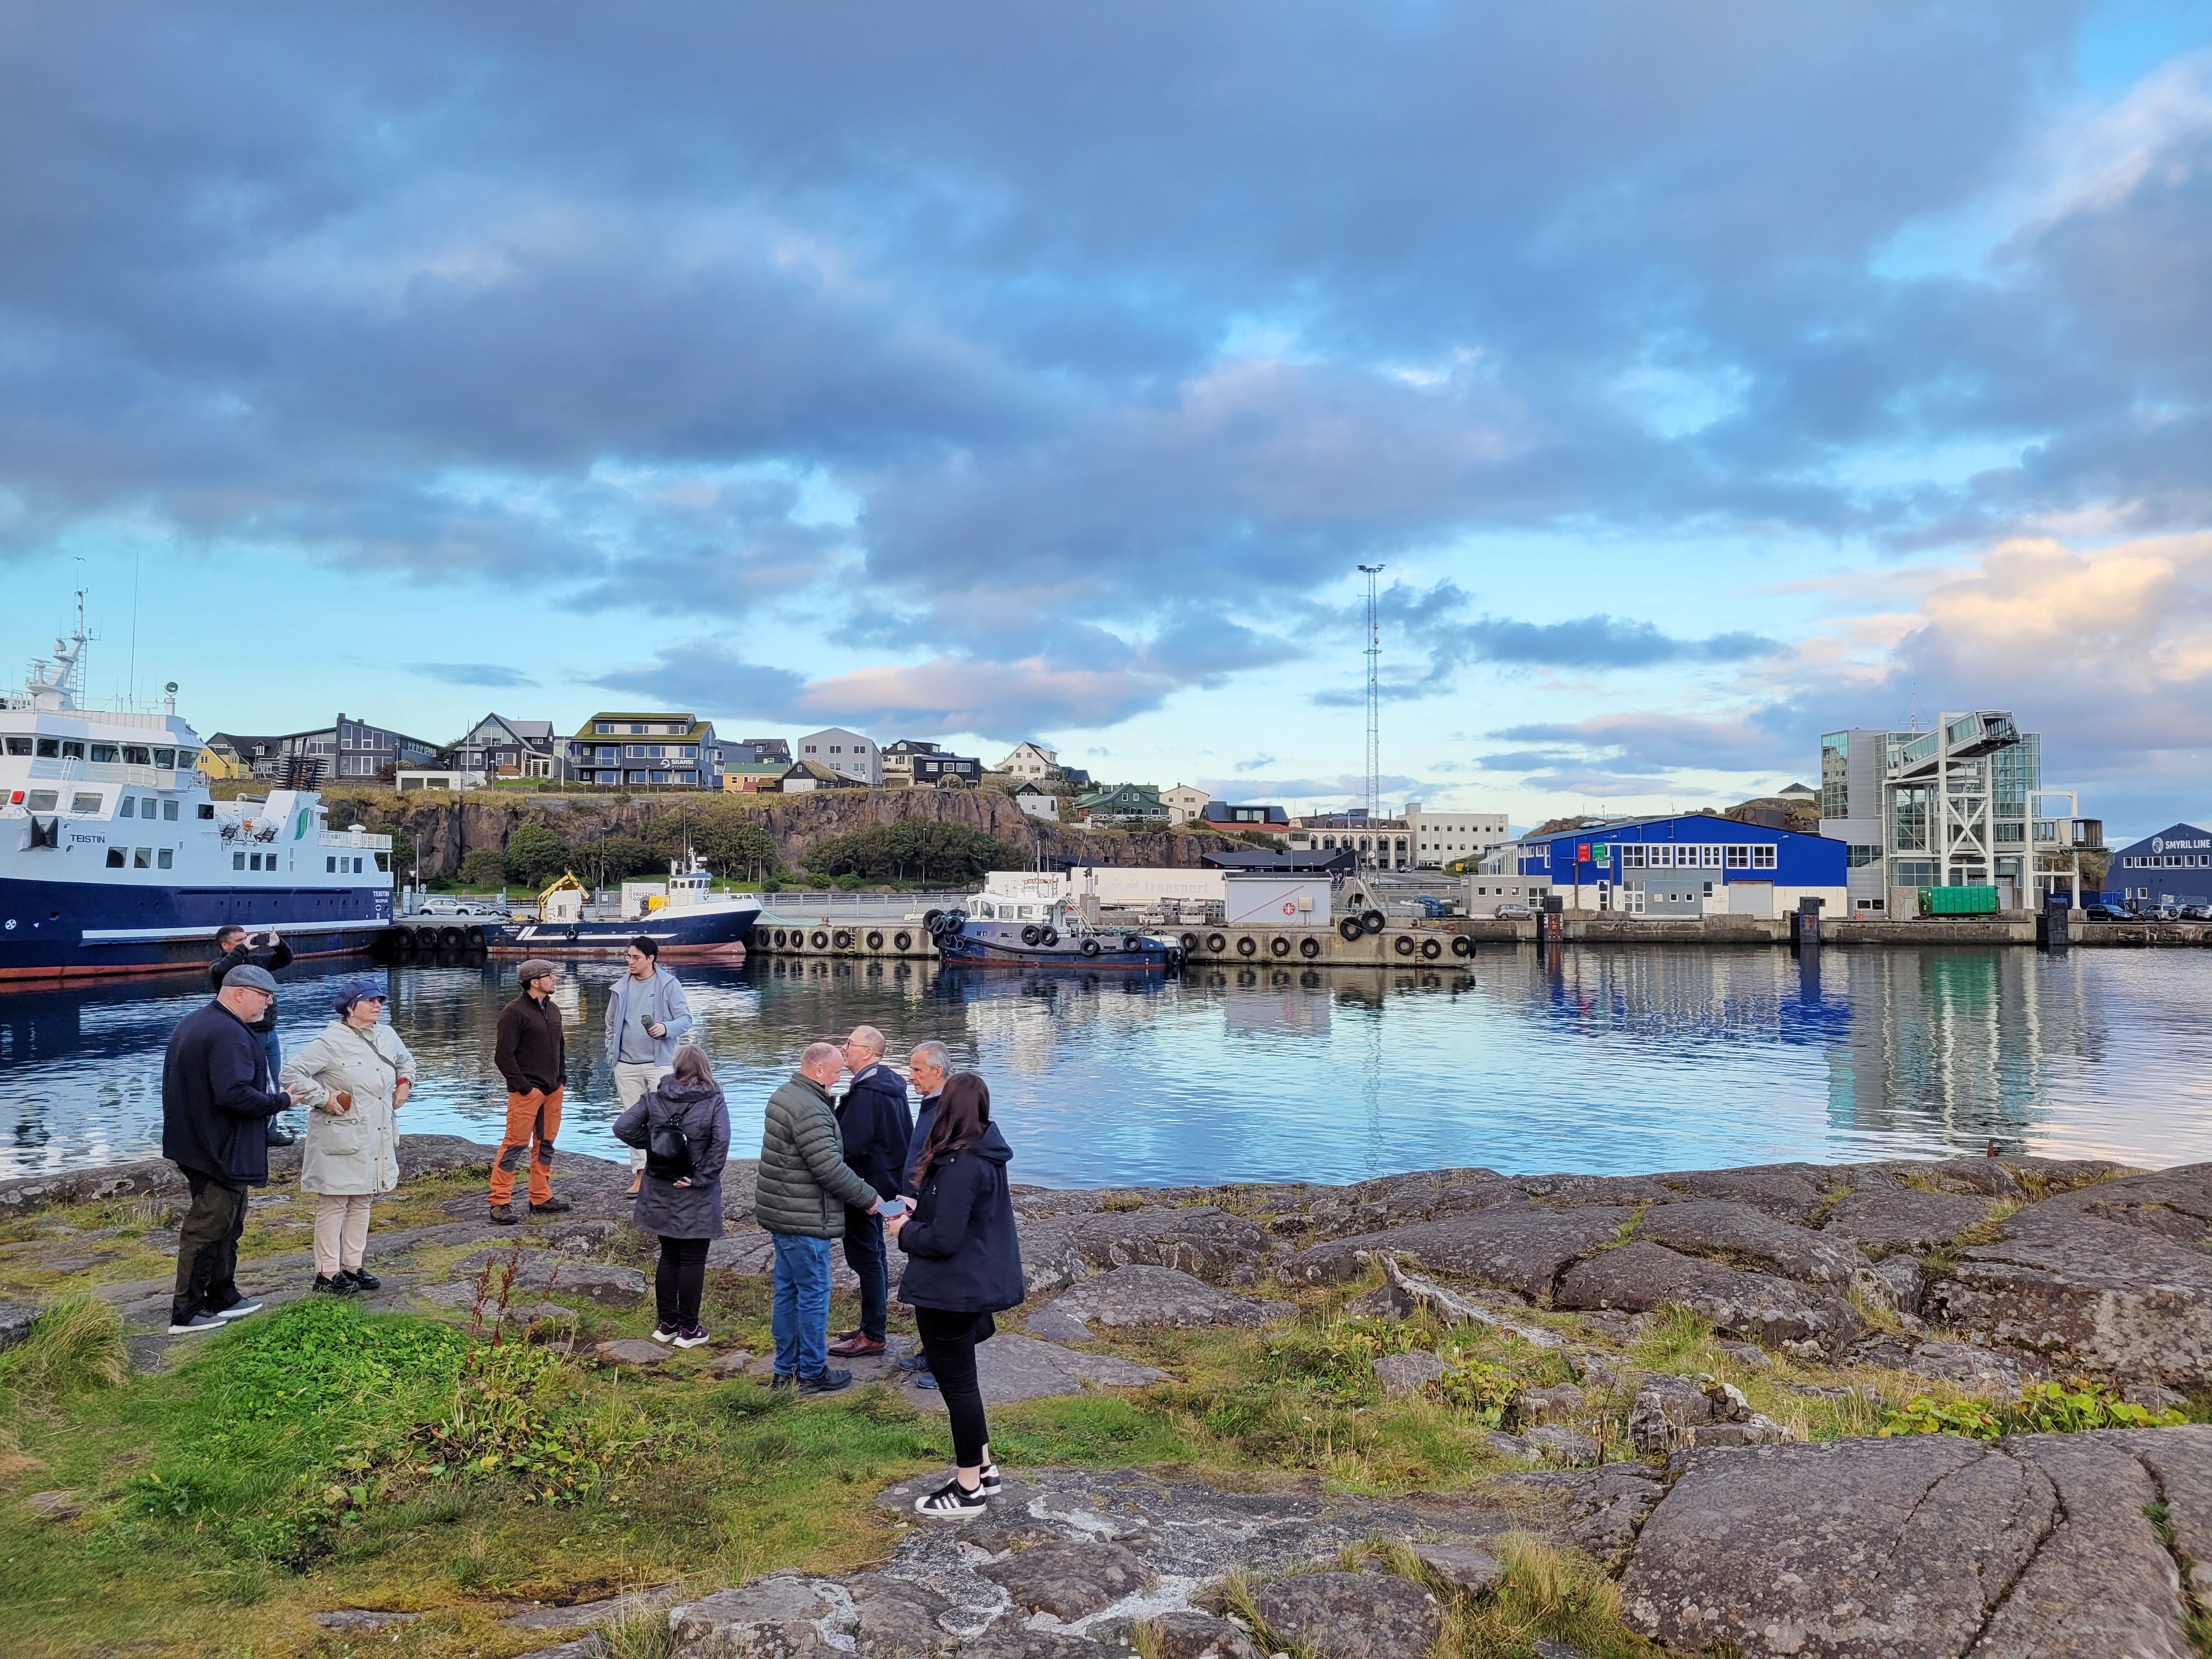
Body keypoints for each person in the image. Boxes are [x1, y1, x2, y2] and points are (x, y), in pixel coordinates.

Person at [888, 1070, 1023, 1516]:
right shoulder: (983, 1152)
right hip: (970, 1283)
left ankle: (968, 1489)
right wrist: (920, 1205)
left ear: (947, 1111)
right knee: (962, 1383)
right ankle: (983, 1466)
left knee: (958, 1385)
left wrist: (905, 1230)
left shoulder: (961, 1164)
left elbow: (945, 1239)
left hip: (952, 1290)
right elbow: (962, 1218)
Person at [757, 1041, 898, 1392]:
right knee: (813, 1294)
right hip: (805, 1218)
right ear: (818, 1070)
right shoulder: (810, 1110)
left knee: (787, 1293)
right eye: (835, 1072)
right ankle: (812, 1372)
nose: (839, 1078)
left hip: (784, 1213)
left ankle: (783, 1371)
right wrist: (870, 1198)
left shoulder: (785, 1094)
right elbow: (830, 1168)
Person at [160, 964, 293, 1334]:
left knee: (230, 1223)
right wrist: (280, 1101)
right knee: (208, 1226)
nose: (269, 1004)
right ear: (239, 993)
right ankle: (186, 1311)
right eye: (264, 996)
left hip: (206, 1143)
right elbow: (233, 1094)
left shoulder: (202, 1021)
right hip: (217, 1149)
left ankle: (223, 1294)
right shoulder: (227, 1033)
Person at [279, 977, 414, 1294]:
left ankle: (353, 1266)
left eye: (380, 1000)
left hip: (376, 1133)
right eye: (370, 1001)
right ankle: (327, 1273)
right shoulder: (330, 1041)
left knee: (363, 1200)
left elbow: (405, 1060)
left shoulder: (387, 1034)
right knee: (335, 1203)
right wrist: (324, 1097)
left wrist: (405, 1081)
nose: (377, 1005)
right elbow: (290, 1074)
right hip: (340, 1137)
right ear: (351, 1008)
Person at [613, 1044, 730, 1348]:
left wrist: (653, 1146)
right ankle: (690, 1330)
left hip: (660, 1186)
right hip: (694, 1190)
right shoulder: (713, 1099)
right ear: (705, 1068)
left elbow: (623, 1126)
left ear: (676, 1068)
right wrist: (698, 1179)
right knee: (692, 1259)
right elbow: (720, 1145)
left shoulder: (654, 1097)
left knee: (668, 1256)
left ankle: (667, 1325)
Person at [829, 1025, 914, 1359]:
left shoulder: (868, 1091)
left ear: (867, 1052)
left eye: (849, 1044)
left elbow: (853, 1145)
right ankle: (870, 1325)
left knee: (867, 1259)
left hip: (865, 1187)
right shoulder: (889, 1085)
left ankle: (874, 1334)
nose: (844, 1048)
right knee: (874, 1255)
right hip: (887, 1182)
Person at [606, 936, 694, 1196]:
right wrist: (613, 1056)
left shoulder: (668, 984)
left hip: (660, 1065)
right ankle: (641, 1175)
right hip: (626, 1065)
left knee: (665, 1120)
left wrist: (665, 1029)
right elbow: (611, 1025)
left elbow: (686, 1019)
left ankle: (668, 1172)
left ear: (651, 959)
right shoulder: (620, 988)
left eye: (635, 957)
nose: (630, 962)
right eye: (628, 957)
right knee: (632, 1121)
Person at [489, 959, 570, 1223]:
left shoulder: (554, 1009)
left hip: (553, 1091)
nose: (555, 979)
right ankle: (500, 1201)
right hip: (527, 1093)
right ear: (535, 982)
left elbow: (560, 1047)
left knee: (546, 1145)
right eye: (550, 976)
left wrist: (561, 1079)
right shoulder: (514, 1012)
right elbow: (503, 1056)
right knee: (515, 1145)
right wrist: (524, 1088)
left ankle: (540, 1196)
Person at [893, 1040, 950, 1381]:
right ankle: (932, 1352)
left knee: (936, 1284)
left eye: (917, 1070)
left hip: (932, 1210)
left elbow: (936, 1162)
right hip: (919, 1205)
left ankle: (942, 1360)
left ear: (937, 1071)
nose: (911, 1076)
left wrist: (915, 1197)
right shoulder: (931, 1103)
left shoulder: (945, 1108)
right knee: (926, 1283)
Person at [210, 925, 297, 1146]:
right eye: (240, 940)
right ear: (226, 946)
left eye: (247, 938)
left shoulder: (257, 964)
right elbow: (221, 972)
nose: (247, 943)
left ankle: (271, 1130)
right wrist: (243, 950)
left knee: (273, 1081)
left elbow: (286, 960)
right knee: (251, 1084)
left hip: (270, 1033)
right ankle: (249, 1131)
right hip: (245, 1034)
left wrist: (279, 944)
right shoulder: (221, 969)